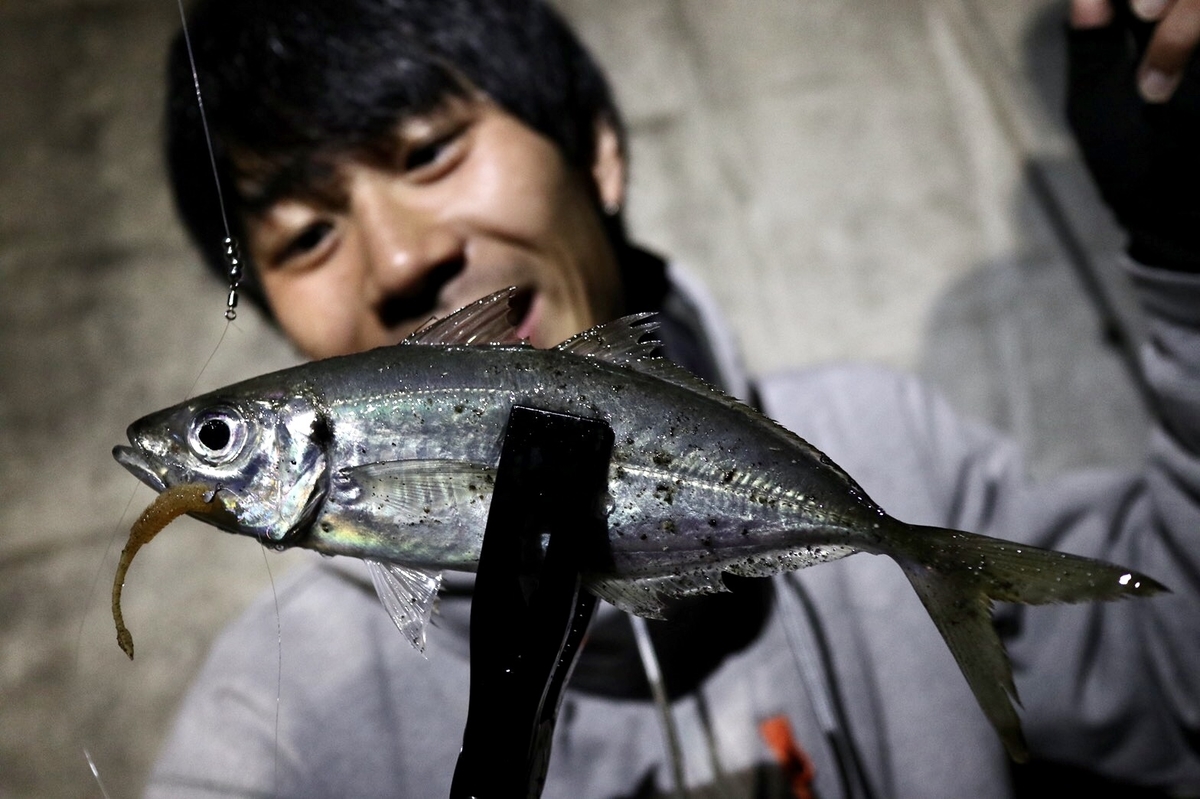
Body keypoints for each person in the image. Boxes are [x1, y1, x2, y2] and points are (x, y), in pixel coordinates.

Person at [147, 0, 1200, 795]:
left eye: (429, 151)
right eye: (305, 236)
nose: (402, 259)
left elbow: (1180, 683)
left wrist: (1185, 247)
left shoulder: (887, 440)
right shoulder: (271, 732)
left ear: (599, 151)